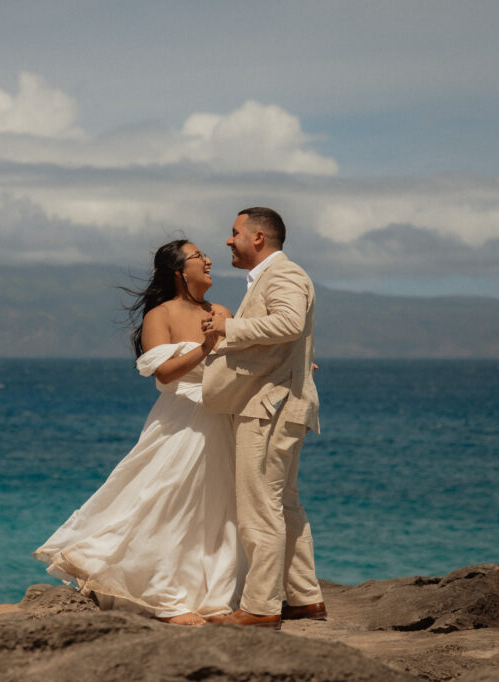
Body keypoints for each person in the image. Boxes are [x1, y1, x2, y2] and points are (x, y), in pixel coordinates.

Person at [34, 239, 241, 626]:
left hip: (221, 419)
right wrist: (206, 346)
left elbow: (239, 363)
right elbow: (164, 373)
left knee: (215, 509)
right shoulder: (159, 316)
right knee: (167, 501)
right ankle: (166, 597)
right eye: (199, 256)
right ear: (179, 271)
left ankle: (212, 597)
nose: (209, 260)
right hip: (180, 421)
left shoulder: (222, 311)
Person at [201, 206, 326, 629]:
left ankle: (259, 608)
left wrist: (228, 329)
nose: (227, 241)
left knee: (261, 508)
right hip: (283, 404)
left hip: (268, 408)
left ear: (258, 238)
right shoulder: (276, 277)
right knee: (284, 504)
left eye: (234, 232)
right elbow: (290, 335)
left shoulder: (284, 274)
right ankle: (304, 598)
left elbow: (289, 322)